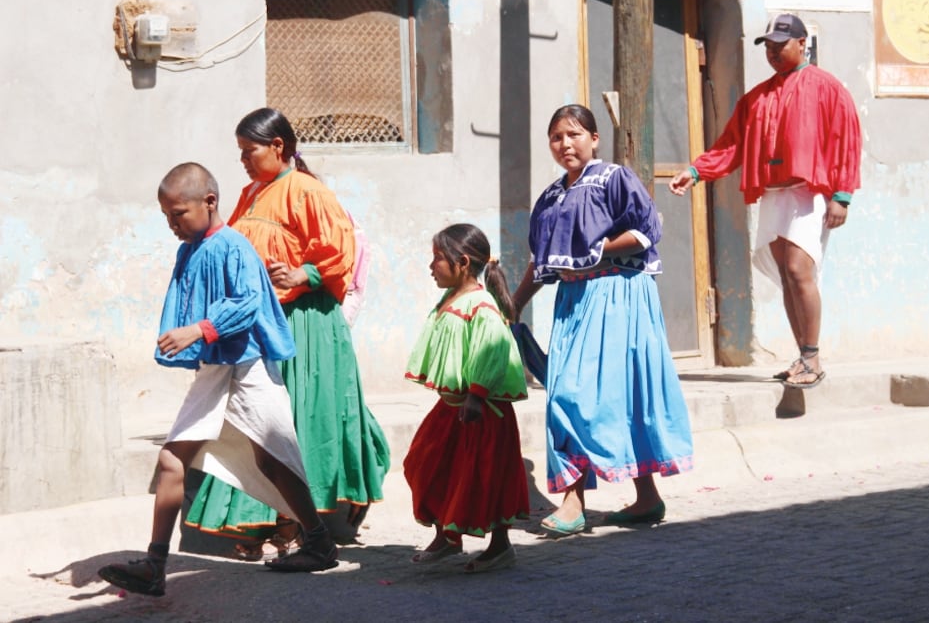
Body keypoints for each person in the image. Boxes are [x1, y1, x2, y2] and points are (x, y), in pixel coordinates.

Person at [98, 163, 338, 597]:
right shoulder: (189, 249)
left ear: (210, 203)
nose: (172, 224)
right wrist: (190, 341)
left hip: (250, 368)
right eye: (167, 217)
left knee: (275, 458)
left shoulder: (235, 247)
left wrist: (198, 331)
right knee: (171, 460)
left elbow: (246, 304)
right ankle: (155, 565)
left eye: (179, 214)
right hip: (216, 370)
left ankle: (318, 541)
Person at [184, 108, 390, 558]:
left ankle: (296, 525)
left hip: (304, 323)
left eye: (248, 151)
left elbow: (339, 251)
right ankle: (266, 520)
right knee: (261, 422)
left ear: (278, 147)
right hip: (261, 322)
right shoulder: (250, 194)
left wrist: (303, 273)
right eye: (239, 152)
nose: (242, 160)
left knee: (296, 420)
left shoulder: (308, 191)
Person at [511, 104, 694, 536]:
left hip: (620, 294)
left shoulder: (614, 178)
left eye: (574, 134)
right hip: (575, 302)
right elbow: (542, 258)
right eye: (556, 137)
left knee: (582, 395)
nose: (565, 144)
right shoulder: (551, 197)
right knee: (575, 392)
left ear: (594, 138)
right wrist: (514, 303)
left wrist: (597, 252)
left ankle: (574, 502)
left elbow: (648, 229)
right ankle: (646, 498)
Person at [669, 13, 862, 389]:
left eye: (781, 45)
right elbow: (731, 145)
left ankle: (812, 358)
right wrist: (695, 172)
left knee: (798, 270)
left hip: (809, 194)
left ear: (803, 43)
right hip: (773, 194)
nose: (773, 53)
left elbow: (845, 139)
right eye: (768, 47)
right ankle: (804, 356)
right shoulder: (757, 97)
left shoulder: (827, 87)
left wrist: (842, 195)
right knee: (788, 280)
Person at [403, 224, 530, 573]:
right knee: (426, 462)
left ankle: (500, 546)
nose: (431, 267)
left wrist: (477, 395)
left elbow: (491, 349)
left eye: (437, 260)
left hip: (481, 409)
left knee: (488, 474)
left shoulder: (482, 305)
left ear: (461, 262)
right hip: (453, 406)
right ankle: (448, 535)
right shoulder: (452, 298)